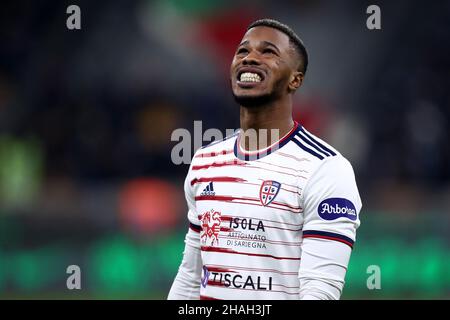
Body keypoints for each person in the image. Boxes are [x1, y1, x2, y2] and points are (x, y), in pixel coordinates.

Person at [168, 18, 362, 300]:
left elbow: (320, 292)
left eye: (268, 52)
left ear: (295, 79)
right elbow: (190, 277)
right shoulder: (204, 162)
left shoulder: (326, 170)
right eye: (242, 51)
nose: (250, 58)